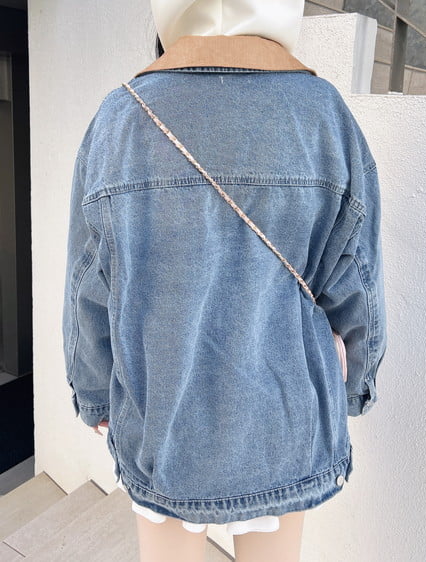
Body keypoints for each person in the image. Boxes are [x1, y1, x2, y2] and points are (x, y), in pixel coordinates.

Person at [62, 1, 388, 560]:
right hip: (284, 426)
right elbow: (356, 274)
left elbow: (88, 285)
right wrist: (355, 382)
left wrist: (93, 395)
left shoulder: (118, 120)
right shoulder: (324, 116)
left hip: (161, 424)